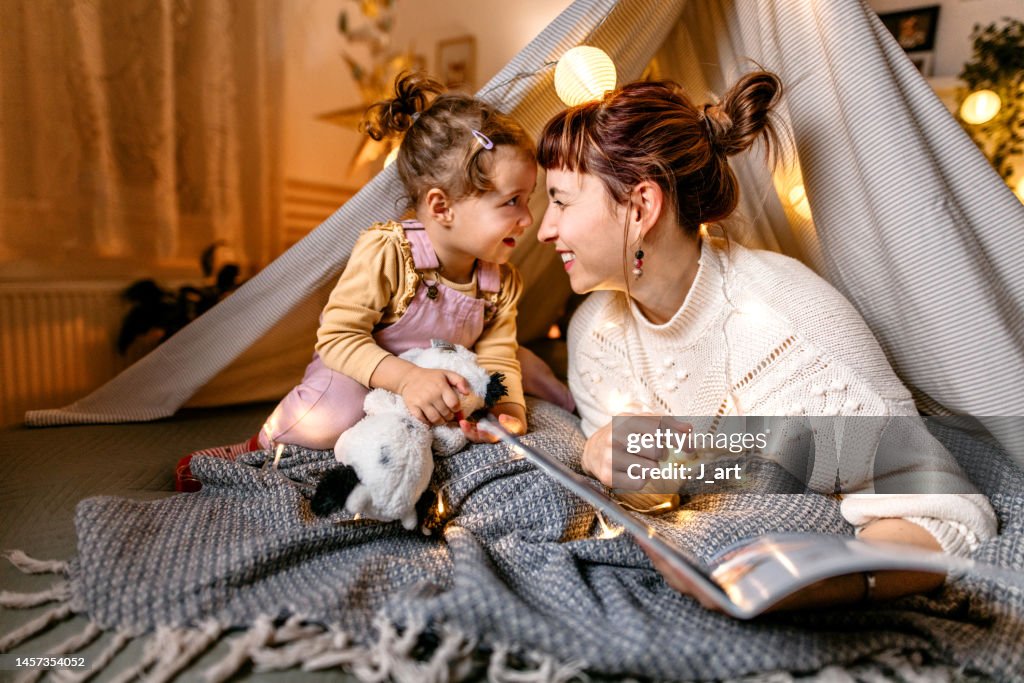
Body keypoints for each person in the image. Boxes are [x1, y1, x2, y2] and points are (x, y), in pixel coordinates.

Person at [535, 72, 997, 607]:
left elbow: (944, 512)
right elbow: (658, 488)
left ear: (640, 208)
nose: (544, 229)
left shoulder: (787, 321)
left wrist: (818, 582)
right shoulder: (595, 329)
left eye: (561, 202)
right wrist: (616, 460)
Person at [176, 72, 544, 491]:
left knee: (466, 424)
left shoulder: (501, 281)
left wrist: (508, 406)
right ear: (441, 206)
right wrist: (406, 379)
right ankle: (259, 447)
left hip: (427, 395)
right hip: (364, 376)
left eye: (528, 200)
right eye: (511, 202)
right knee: (330, 417)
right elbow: (337, 338)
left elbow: (498, 355)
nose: (528, 219)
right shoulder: (389, 251)